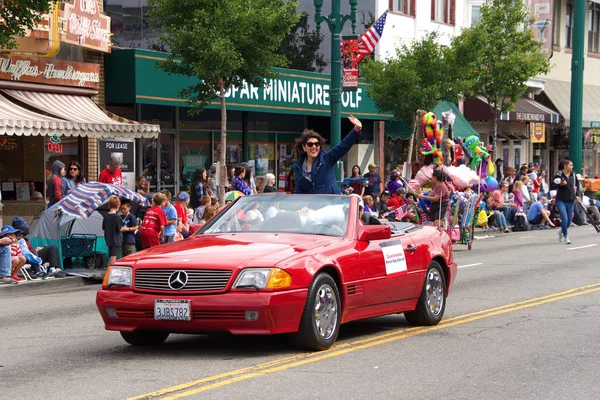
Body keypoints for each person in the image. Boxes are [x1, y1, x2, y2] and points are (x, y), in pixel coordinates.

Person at [292, 115, 362, 194]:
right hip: (312, 204)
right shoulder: (298, 166)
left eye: (317, 144)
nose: (314, 147)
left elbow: (342, 146)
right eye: (310, 144)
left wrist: (356, 129)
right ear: (304, 147)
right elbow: (298, 190)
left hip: (331, 203)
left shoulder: (326, 158)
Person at [550, 159, 580, 244]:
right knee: (564, 218)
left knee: (569, 220)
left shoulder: (573, 175)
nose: (572, 167)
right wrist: (560, 184)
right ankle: (566, 237)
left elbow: (577, 186)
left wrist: (577, 195)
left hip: (571, 200)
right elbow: (552, 186)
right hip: (561, 200)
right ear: (565, 166)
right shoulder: (559, 175)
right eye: (570, 165)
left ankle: (561, 231)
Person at [102, 196, 123, 266]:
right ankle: (109, 271)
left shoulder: (105, 216)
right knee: (113, 257)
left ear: (109, 205)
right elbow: (120, 228)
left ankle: (108, 270)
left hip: (108, 239)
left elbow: (103, 227)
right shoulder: (118, 217)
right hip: (116, 240)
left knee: (111, 256)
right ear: (118, 205)